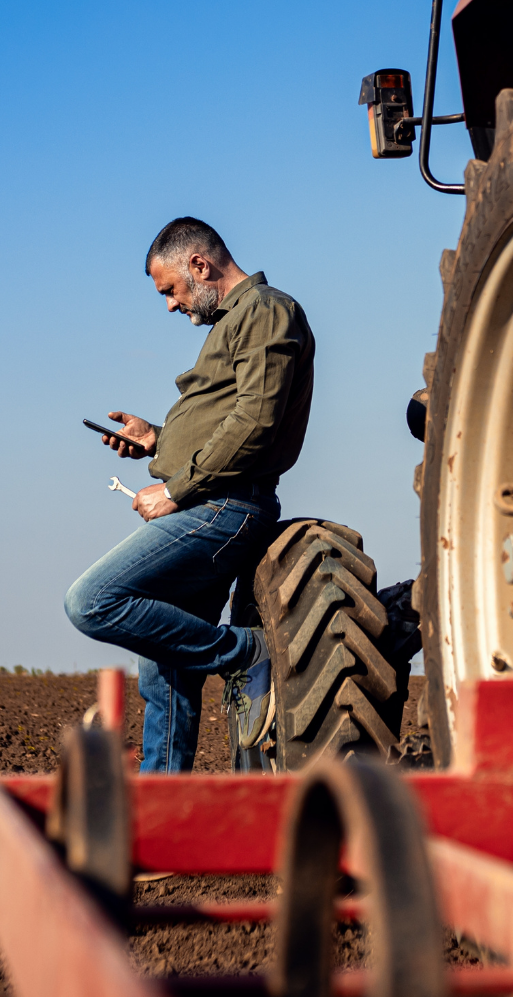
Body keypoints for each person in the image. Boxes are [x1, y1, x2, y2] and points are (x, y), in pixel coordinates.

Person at [64, 216, 315, 771]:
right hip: (207, 498)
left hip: (224, 505)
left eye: (171, 290)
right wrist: (155, 439)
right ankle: (163, 812)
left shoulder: (267, 311)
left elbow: (255, 421)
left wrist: (176, 488)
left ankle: (242, 654)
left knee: (90, 602)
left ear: (199, 265)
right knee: (165, 664)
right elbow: (226, 418)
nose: (172, 306)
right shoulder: (232, 326)